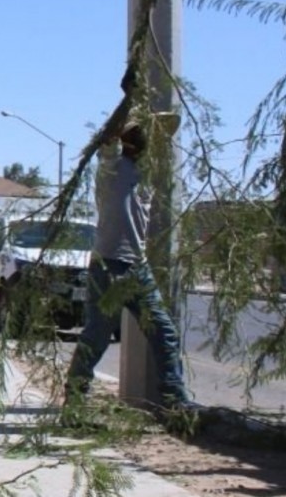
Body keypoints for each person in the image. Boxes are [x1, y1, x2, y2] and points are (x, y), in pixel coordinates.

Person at [64, 112, 189, 409]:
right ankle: (75, 397)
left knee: (164, 331)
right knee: (97, 336)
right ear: (127, 140)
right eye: (140, 135)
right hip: (108, 265)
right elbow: (107, 138)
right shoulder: (111, 167)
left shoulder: (146, 175)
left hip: (137, 267)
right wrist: (129, 101)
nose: (146, 141)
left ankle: (175, 401)